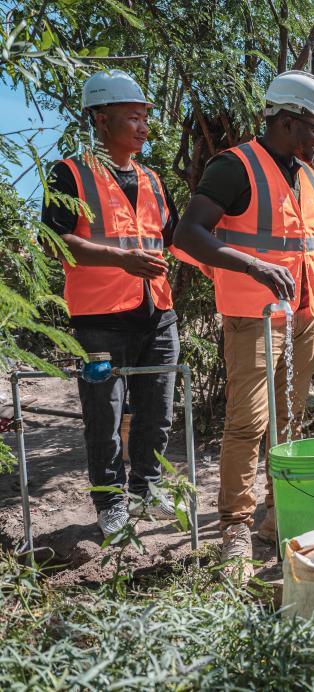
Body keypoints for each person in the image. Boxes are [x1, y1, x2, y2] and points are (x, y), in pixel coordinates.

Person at [173, 70, 314, 576]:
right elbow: (187, 234)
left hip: (304, 316)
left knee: (289, 421)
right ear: (287, 121)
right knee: (248, 424)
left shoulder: (308, 177)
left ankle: (278, 515)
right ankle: (235, 529)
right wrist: (253, 266)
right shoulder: (235, 167)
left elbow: (308, 249)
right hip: (253, 317)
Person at [42, 69, 182, 537]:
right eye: (133, 117)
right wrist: (122, 260)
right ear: (102, 119)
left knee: (158, 411)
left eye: (145, 118)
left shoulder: (152, 179)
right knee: (104, 415)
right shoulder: (69, 173)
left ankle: (146, 489)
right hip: (100, 319)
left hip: (157, 314)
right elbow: (53, 242)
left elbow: (175, 239)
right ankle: (111, 501)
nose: (143, 127)